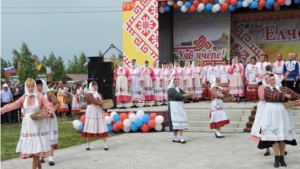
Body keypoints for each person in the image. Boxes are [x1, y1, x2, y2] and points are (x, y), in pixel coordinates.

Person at [0, 78, 55, 169]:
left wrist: (46, 115)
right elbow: (12, 106)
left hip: (38, 124)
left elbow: (50, 108)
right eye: (29, 86)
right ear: (26, 87)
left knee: (37, 148)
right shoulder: (23, 98)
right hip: (27, 125)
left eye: (32, 86)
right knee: (34, 148)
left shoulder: (40, 97)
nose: (31, 88)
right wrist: (1, 110)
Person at [258, 74, 299, 168]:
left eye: (273, 79)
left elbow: (294, 94)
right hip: (271, 114)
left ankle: (282, 158)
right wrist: (285, 96)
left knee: (282, 136)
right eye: (270, 79)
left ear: (276, 80)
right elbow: (272, 96)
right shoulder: (267, 89)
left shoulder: (284, 88)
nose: (271, 81)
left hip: (283, 113)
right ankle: (276, 158)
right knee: (274, 137)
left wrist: (298, 99)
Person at [36, 80, 60, 166]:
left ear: (44, 86)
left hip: (49, 119)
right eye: (37, 86)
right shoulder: (34, 95)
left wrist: (52, 111)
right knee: (40, 137)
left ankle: (51, 158)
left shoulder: (49, 94)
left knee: (50, 137)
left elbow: (57, 103)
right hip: (39, 119)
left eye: (40, 86)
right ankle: (42, 156)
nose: (39, 88)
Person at [81, 81, 108, 151]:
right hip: (91, 111)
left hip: (98, 111)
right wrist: (101, 102)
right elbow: (94, 101)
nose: (95, 87)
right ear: (91, 86)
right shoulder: (88, 94)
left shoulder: (99, 94)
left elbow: (102, 103)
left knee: (101, 125)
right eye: (93, 86)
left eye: (96, 85)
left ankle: (105, 144)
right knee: (90, 126)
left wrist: (106, 106)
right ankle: (88, 144)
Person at [250, 73, 272, 156]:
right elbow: (262, 97)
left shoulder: (275, 86)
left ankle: (279, 148)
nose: (267, 80)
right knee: (264, 127)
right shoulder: (261, 87)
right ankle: (267, 150)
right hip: (264, 107)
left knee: (274, 126)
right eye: (265, 78)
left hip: (272, 107)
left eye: (268, 78)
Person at [167, 78, 188, 144]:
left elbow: (184, 93)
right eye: (174, 82)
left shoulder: (178, 89)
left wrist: (187, 94)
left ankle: (176, 137)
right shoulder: (170, 89)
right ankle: (180, 138)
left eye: (176, 82)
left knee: (179, 121)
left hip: (179, 107)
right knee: (177, 122)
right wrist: (184, 95)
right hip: (173, 108)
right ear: (172, 83)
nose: (176, 84)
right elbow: (177, 95)